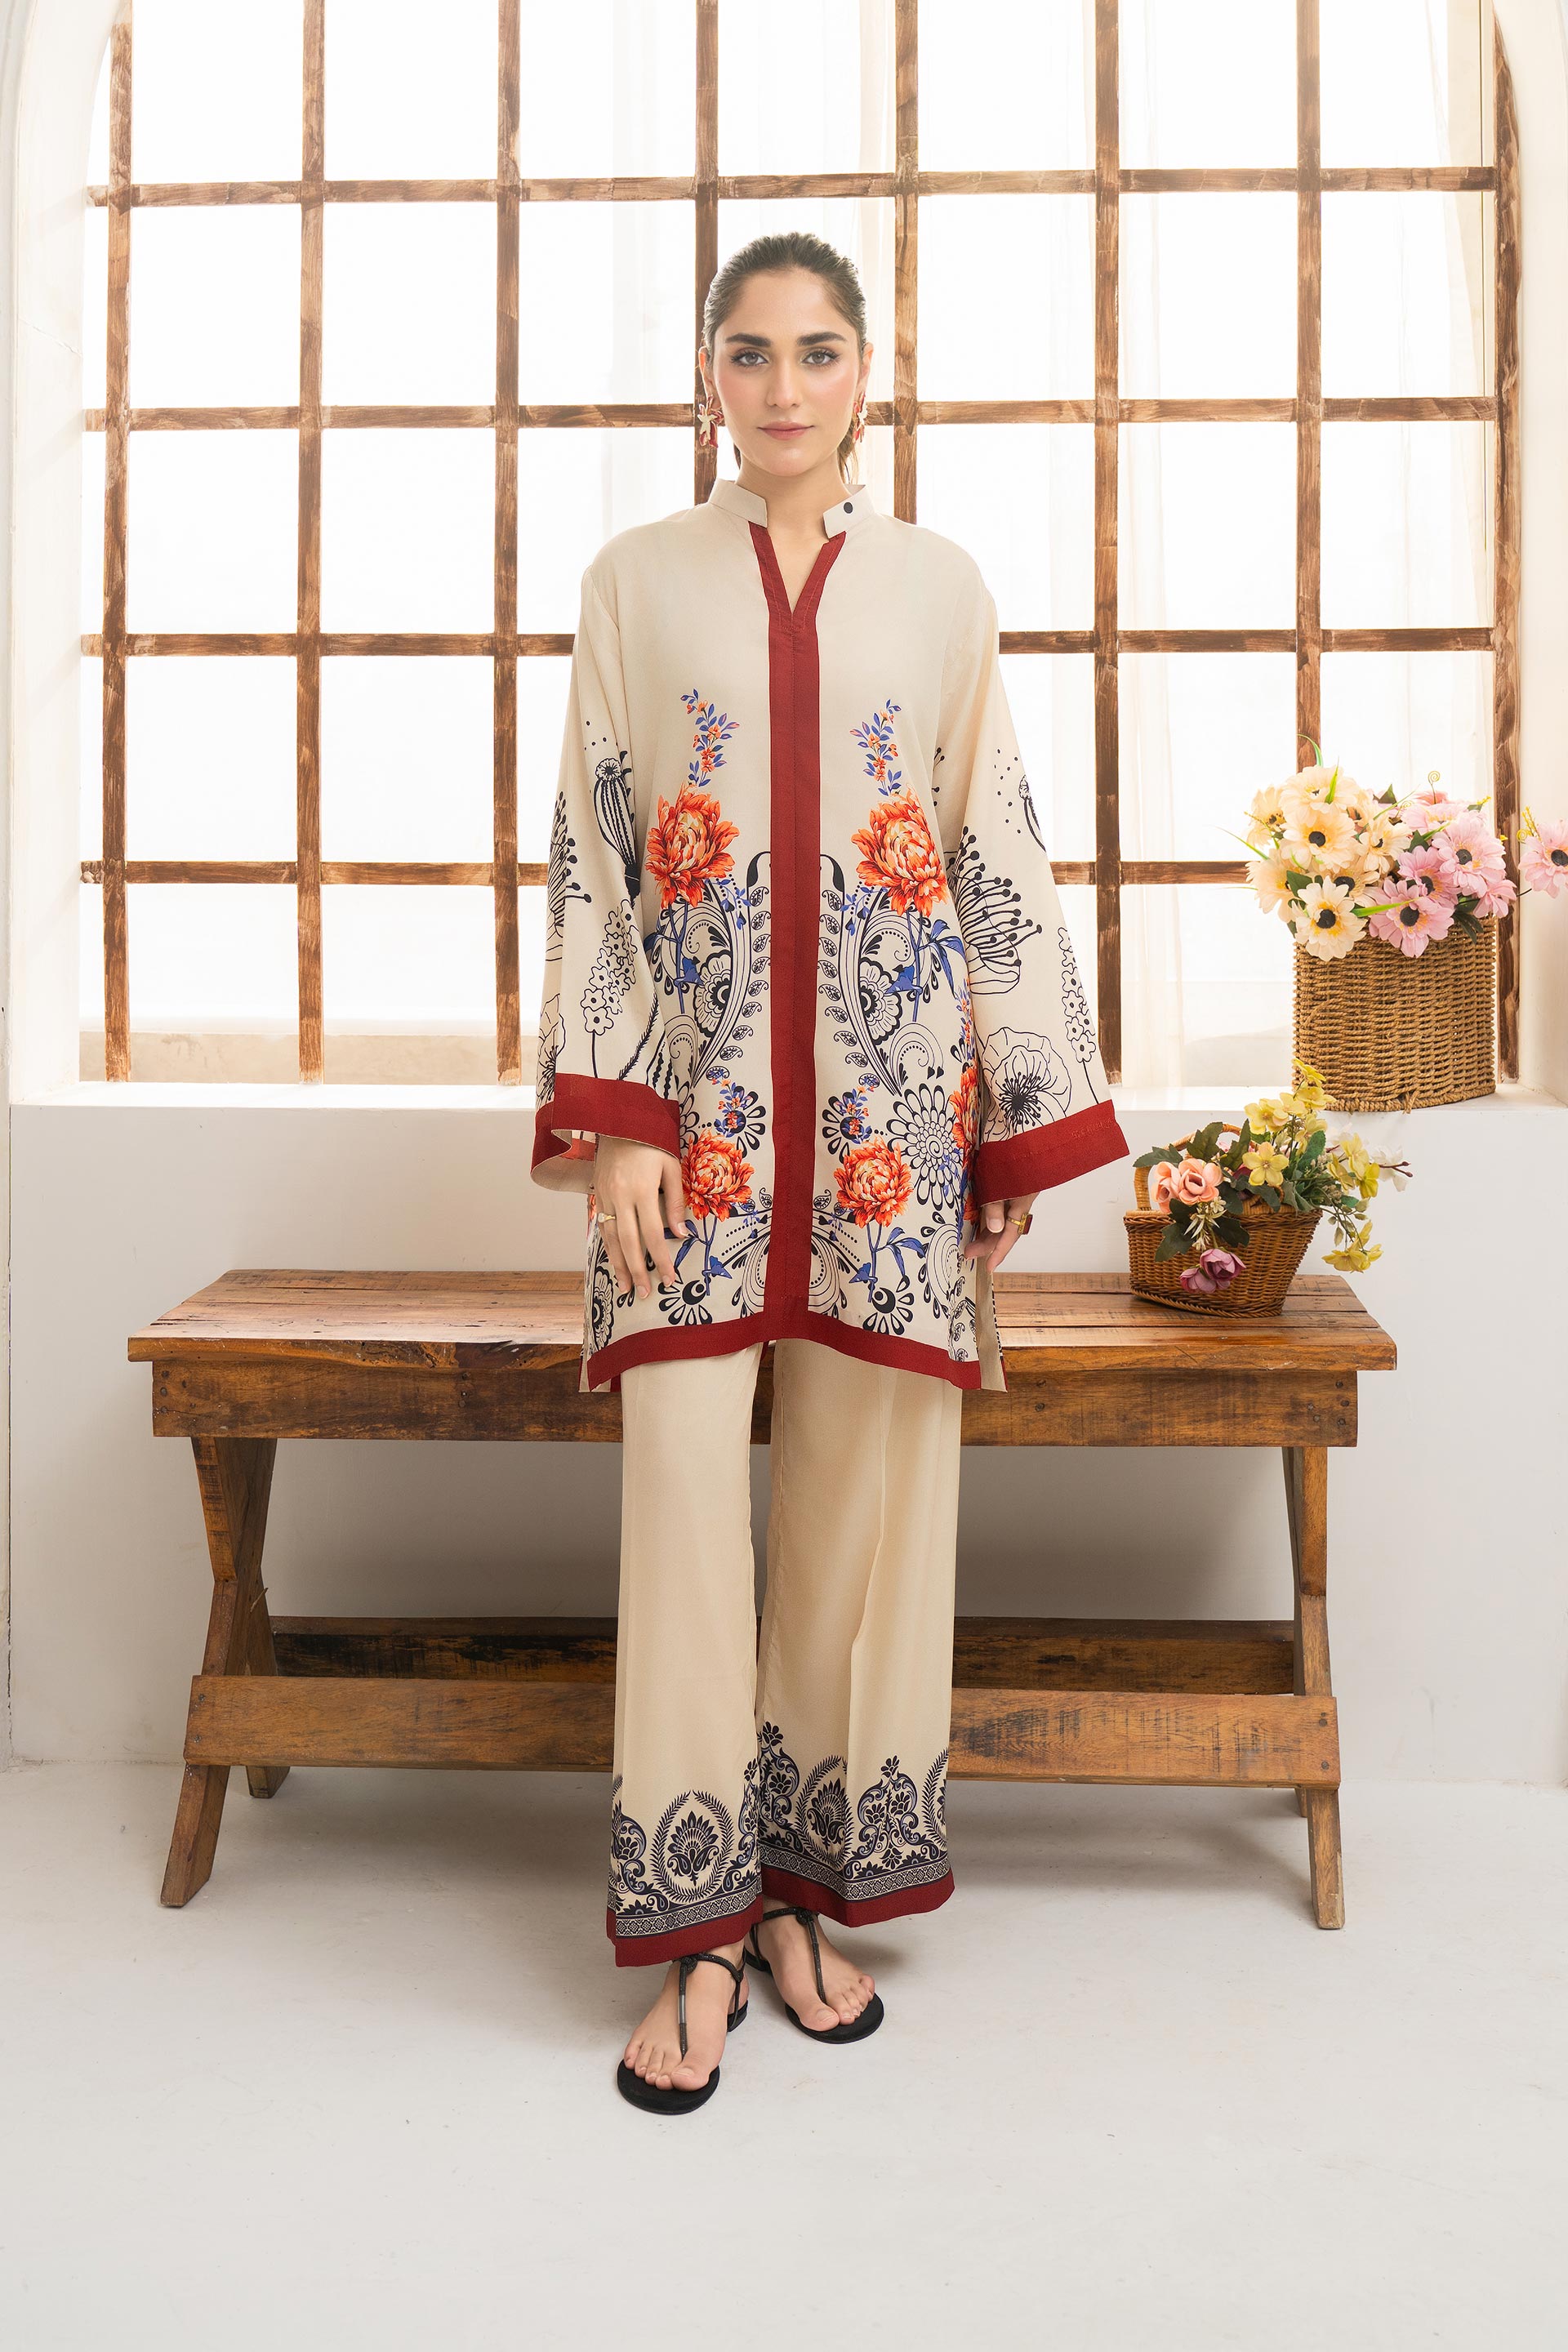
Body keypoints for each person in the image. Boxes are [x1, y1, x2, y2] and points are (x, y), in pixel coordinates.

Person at [532, 231, 1128, 2113]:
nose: (781, 385)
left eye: (816, 350)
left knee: (861, 1525)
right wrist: (616, 1124)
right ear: (708, 375)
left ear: (870, 374)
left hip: (888, 1127)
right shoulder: (636, 584)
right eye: (748, 350)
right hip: (689, 1133)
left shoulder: (942, 591)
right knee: (685, 1514)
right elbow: (595, 852)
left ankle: (802, 1899)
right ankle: (697, 1926)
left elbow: (991, 844)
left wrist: (1012, 1115)